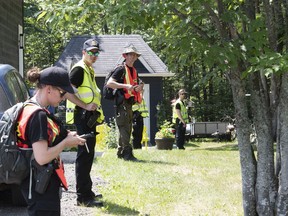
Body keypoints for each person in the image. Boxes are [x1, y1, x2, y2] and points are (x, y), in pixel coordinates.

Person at [18, 66, 86, 216]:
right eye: (62, 93)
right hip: (41, 189)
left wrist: (66, 136)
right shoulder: (38, 116)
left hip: (35, 185)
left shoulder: (31, 107)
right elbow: (42, 157)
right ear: (49, 89)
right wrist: (65, 143)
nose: (63, 98)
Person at [65, 38, 104, 207]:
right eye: (91, 52)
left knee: (88, 155)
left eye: (96, 52)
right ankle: (83, 197)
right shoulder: (79, 70)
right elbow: (66, 92)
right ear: (84, 52)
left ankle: (88, 192)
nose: (94, 55)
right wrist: (85, 105)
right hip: (82, 116)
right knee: (84, 156)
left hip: (88, 118)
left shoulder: (89, 70)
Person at [106, 44, 144, 161]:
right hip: (121, 103)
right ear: (125, 56)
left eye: (134, 55)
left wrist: (139, 87)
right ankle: (128, 153)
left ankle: (120, 152)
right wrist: (126, 86)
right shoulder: (120, 69)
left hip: (129, 103)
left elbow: (139, 83)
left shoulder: (134, 71)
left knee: (126, 127)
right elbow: (110, 83)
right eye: (130, 55)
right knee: (124, 127)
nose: (132, 57)